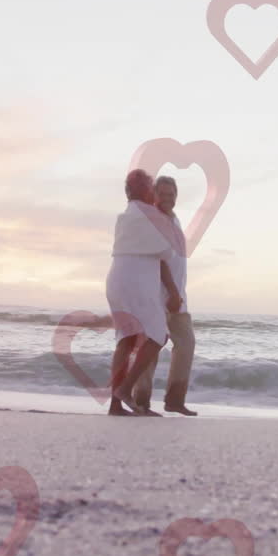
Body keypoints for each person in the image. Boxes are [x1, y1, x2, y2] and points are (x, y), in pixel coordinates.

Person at [105, 169, 183, 416]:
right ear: (148, 191)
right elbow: (166, 255)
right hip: (137, 283)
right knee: (158, 336)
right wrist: (173, 291)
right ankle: (125, 390)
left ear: (128, 192)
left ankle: (115, 405)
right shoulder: (151, 217)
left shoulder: (124, 217)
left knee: (125, 341)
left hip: (116, 281)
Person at [132, 176, 198, 416]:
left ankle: (174, 400)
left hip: (178, 297)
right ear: (154, 195)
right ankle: (140, 402)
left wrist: (178, 293)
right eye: (163, 194)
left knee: (186, 344)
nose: (168, 199)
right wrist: (170, 291)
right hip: (156, 296)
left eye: (172, 194)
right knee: (150, 349)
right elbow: (157, 260)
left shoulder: (175, 220)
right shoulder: (151, 220)